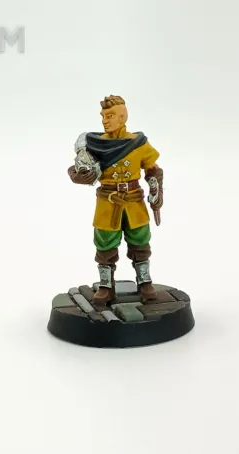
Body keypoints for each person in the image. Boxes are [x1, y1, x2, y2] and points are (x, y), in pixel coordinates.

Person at [68, 95, 164, 307]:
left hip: (133, 201)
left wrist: (156, 188)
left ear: (122, 117)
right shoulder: (94, 144)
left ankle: (144, 281)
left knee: (140, 240)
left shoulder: (138, 143)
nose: (104, 121)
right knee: (104, 243)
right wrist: (79, 176)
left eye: (110, 116)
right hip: (107, 202)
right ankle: (106, 286)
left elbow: (153, 169)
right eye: (103, 116)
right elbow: (76, 168)